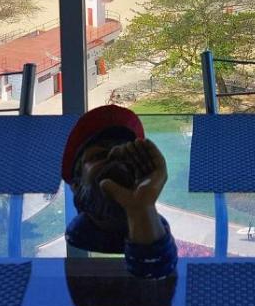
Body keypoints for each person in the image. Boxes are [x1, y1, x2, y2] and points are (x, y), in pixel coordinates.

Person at [61, 105, 178, 279]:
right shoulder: (80, 235)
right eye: (99, 155)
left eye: (126, 155)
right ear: (76, 184)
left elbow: (158, 277)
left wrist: (141, 209)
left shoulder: (146, 213)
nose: (115, 161)